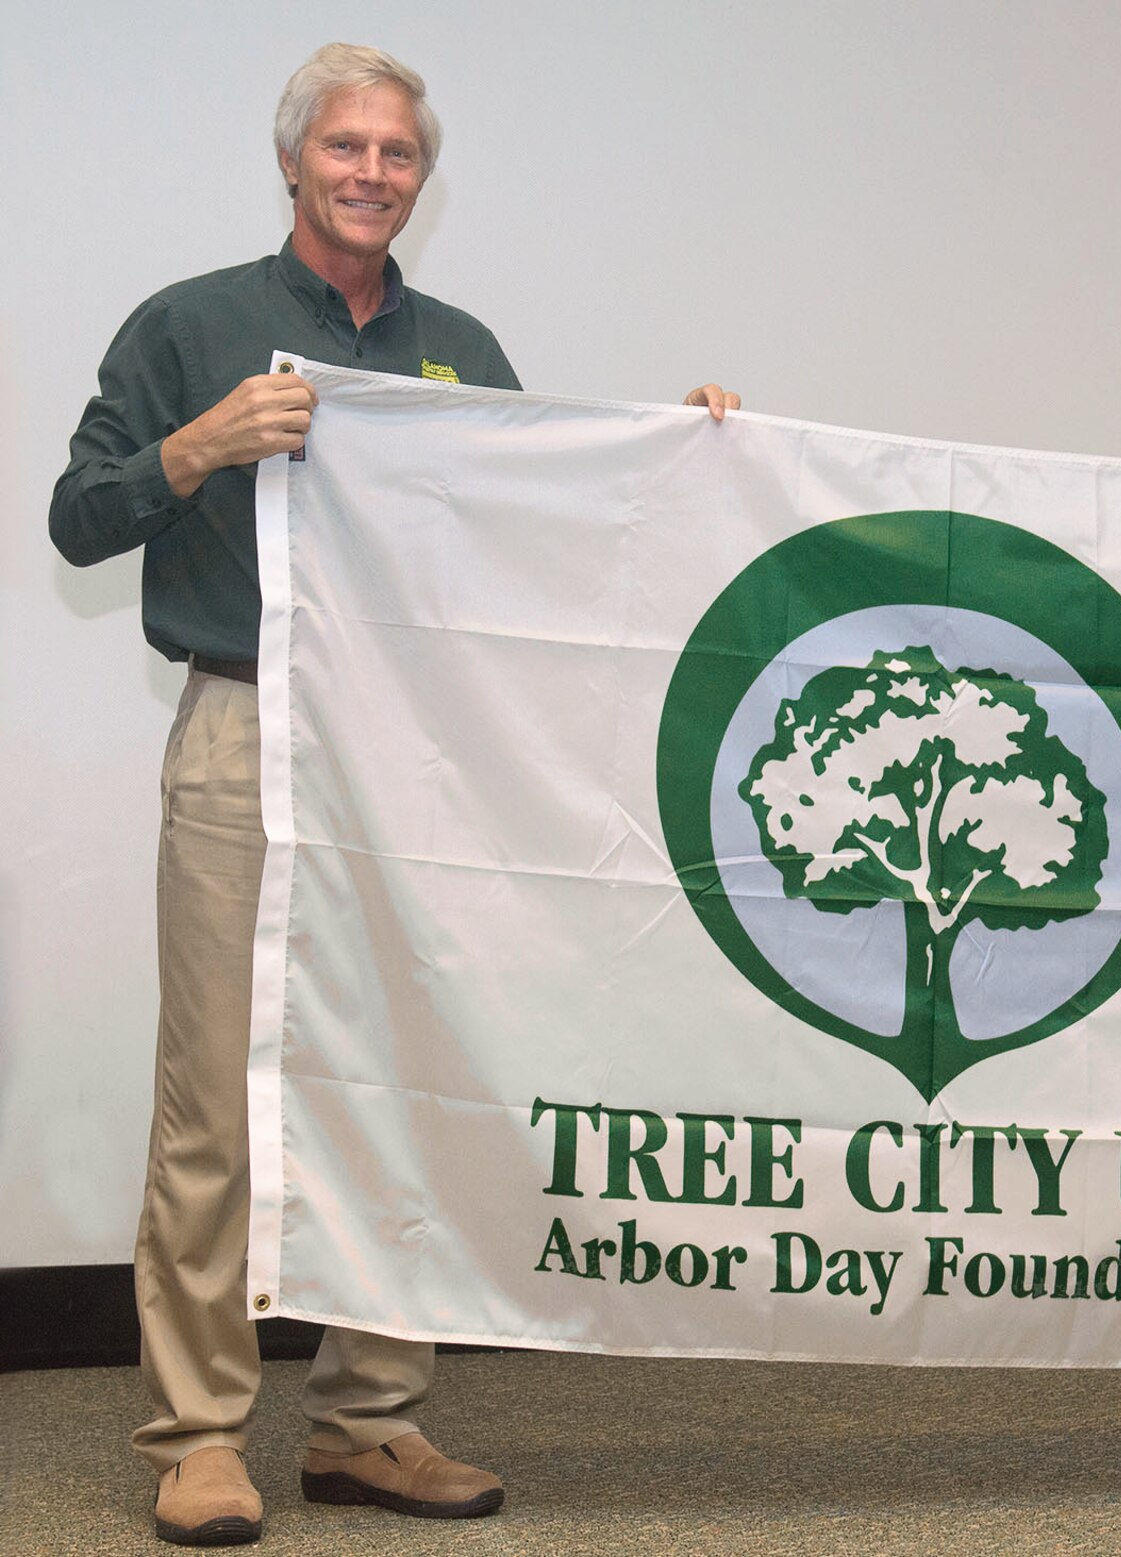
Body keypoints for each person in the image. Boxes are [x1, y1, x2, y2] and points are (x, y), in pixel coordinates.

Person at [49, 43, 736, 1546]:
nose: (372, 173)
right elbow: (79, 513)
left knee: (399, 1078)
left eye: (398, 155)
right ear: (291, 163)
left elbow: (536, 526)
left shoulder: (459, 348)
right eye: (346, 148)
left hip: (415, 748)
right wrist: (198, 444)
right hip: (246, 727)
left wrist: (676, 457)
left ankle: (368, 1417)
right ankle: (200, 1432)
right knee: (215, 1099)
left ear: (422, 178)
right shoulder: (191, 325)